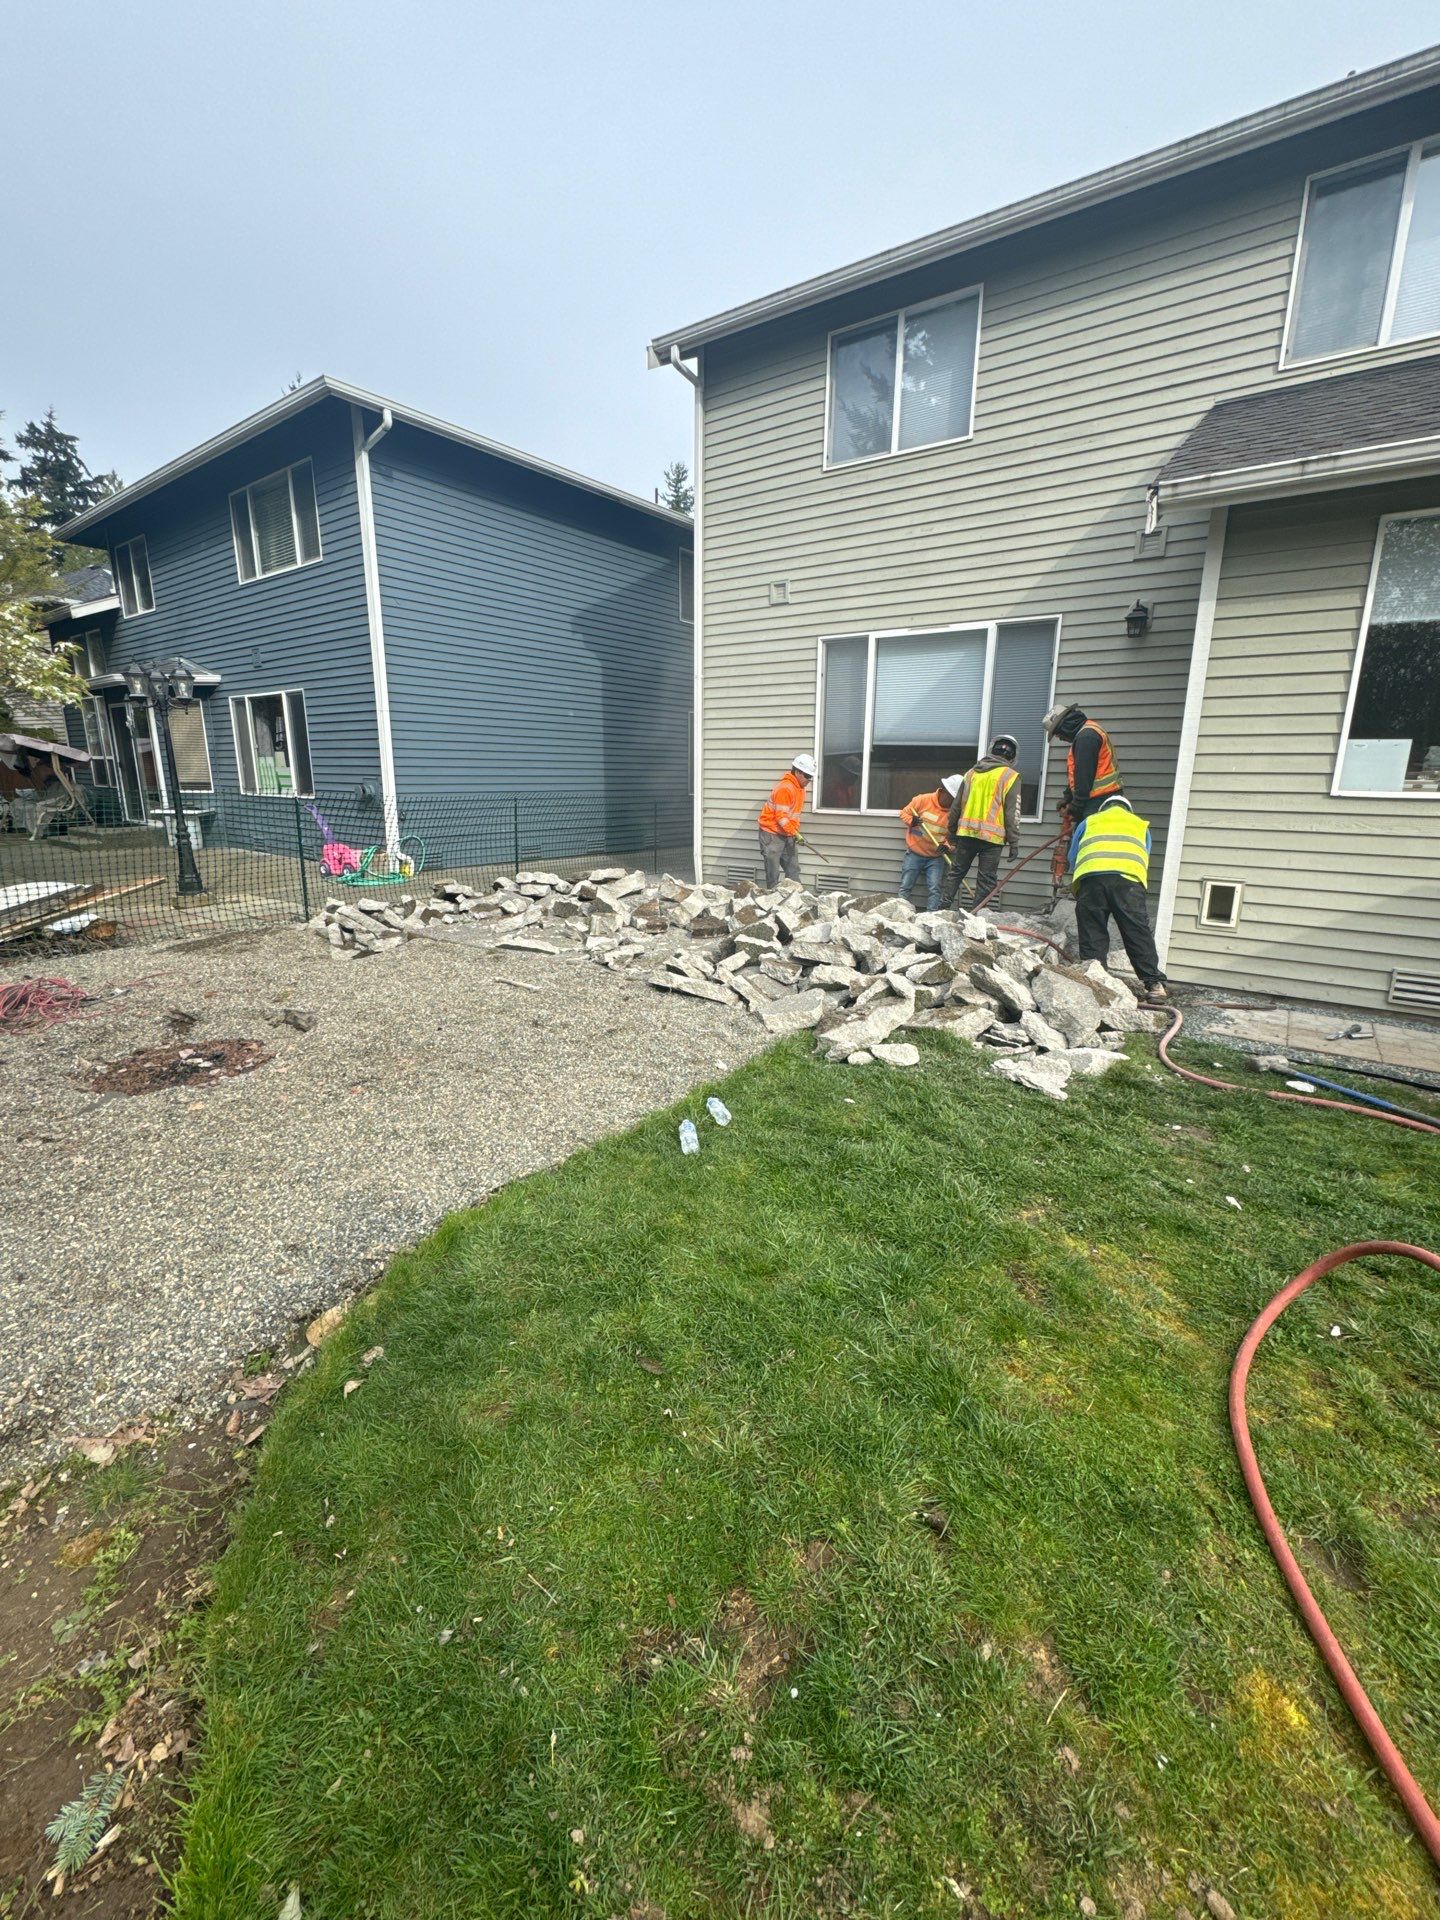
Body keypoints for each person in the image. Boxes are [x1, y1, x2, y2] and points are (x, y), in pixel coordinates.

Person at [1068, 794, 1168, 1000]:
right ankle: (1154, 984)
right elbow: (1143, 855)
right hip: (1128, 883)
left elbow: (1072, 856)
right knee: (1136, 931)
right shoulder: (1140, 825)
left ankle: (1095, 982)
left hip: (1091, 880)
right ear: (1127, 810)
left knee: (1092, 930)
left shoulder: (1090, 821)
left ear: (1103, 809)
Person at [943, 735, 1021, 910]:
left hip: (966, 834)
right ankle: (976, 917)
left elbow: (956, 806)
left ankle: (942, 908)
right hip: (992, 840)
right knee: (986, 880)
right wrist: (1014, 842)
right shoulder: (1010, 776)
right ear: (1012, 757)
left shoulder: (971, 774)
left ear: (991, 750)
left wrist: (951, 832)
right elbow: (1012, 813)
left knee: (956, 873)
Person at [1041, 703, 1123, 819]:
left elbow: (1084, 776)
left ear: (1065, 726)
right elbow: (1077, 775)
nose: (1060, 738)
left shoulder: (1086, 738)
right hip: (1099, 799)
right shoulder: (1085, 734)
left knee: (1091, 836)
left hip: (1100, 802)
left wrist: (1075, 808)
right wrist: (1068, 797)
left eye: (1058, 733)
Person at [898, 775, 960, 912]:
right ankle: (899, 912)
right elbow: (903, 813)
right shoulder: (922, 800)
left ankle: (931, 917)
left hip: (936, 857)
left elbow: (953, 838)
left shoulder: (955, 814)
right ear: (943, 791)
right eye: (953, 798)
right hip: (915, 853)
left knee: (934, 888)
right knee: (906, 885)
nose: (954, 803)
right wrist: (912, 821)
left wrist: (948, 847)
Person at [757, 753, 815, 886]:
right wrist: (795, 833)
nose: (808, 779)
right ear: (797, 772)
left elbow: (794, 815)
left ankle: (797, 897)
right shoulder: (785, 788)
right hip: (771, 834)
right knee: (773, 872)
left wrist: (794, 832)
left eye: (810, 777)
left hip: (787, 833)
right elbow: (781, 817)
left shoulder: (800, 789)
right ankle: (772, 898)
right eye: (807, 776)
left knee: (793, 868)